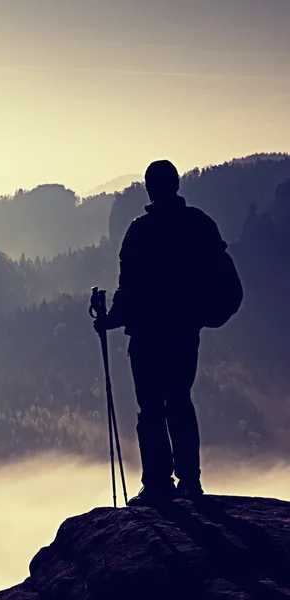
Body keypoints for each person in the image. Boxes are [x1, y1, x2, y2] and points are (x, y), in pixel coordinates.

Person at [93, 160, 229, 506]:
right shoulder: (199, 225)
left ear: (150, 188)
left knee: (151, 408)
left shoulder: (140, 231)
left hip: (147, 336)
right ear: (177, 184)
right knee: (179, 401)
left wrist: (109, 321)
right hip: (184, 333)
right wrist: (203, 315)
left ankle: (157, 483)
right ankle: (190, 482)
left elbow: (129, 288)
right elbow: (224, 278)